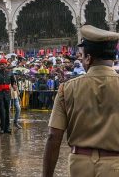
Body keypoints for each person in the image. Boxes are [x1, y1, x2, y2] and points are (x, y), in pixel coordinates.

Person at [43, 25, 119, 177]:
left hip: (80, 166)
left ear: (89, 58)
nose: (81, 60)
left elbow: (53, 137)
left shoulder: (67, 88)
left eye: (81, 55)